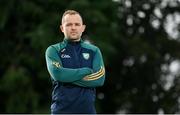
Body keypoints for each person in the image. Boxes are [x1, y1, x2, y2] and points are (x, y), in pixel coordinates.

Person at [45, 9, 106, 114]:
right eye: (68, 25)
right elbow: (58, 74)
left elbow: (99, 79)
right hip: (61, 112)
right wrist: (86, 71)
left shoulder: (94, 51)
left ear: (83, 28)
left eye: (77, 24)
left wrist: (66, 77)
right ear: (62, 28)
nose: (73, 28)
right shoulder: (53, 50)